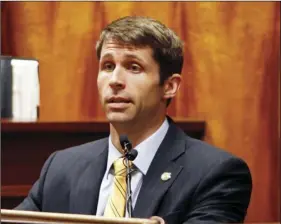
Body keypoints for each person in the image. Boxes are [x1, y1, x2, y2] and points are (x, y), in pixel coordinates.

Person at [15, 16, 252, 224]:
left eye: (134, 67)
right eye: (108, 66)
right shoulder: (61, 168)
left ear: (169, 86)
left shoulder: (216, 173)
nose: (115, 80)